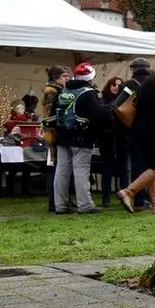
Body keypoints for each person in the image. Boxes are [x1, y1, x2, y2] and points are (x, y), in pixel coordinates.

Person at [118, 60, 155, 214]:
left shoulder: (147, 84)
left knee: (149, 167)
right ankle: (128, 192)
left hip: (138, 131)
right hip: (154, 133)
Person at [52, 62, 105, 215]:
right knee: (81, 171)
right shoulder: (89, 93)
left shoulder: (63, 90)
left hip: (63, 137)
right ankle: (85, 205)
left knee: (62, 171)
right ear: (90, 78)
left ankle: (60, 205)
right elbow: (96, 117)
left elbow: (54, 114)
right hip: (82, 138)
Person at [115, 58, 153, 210]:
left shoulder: (129, 85)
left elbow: (117, 105)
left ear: (134, 69)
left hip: (134, 130)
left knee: (138, 166)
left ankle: (139, 200)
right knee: (153, 167)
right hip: (152, 130)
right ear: (148, 69)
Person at [41, 65, 69, 213]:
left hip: (55, 131)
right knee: (58, 168)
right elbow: (51, 113)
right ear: (56, 77)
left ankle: (59, 200)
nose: (67, 78)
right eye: (64, 76)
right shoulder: (51, 91)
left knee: (60, 167)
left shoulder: (57, 90)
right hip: (54, 132)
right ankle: (54, 201)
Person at [98, 76, 127, 207]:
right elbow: (100, 113)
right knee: (107, 168)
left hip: (121, 137)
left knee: (123, 167)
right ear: (109, 85)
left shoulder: (124, 99)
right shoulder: (102, 98)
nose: (116, 87)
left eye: (119, 85)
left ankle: (125, 195)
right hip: (106, 137)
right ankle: (106, 198)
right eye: (114, 84)